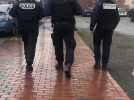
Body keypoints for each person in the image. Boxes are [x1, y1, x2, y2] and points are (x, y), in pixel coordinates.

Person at [49, 0, 82, 78]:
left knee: (58, 45)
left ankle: (60, 64)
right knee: (70, 45)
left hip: (57, 25)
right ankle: (67, 64)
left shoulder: (53, 1)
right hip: (69, 25)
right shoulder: (72, 1)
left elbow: (47, 11)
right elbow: (79, 11)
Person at [9, 0, 44, 72]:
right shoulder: (36, 4)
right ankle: (29, 63)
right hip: (33, 28)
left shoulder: (18, 4)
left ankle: (28, 60)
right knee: (32, 45)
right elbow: (42, 14)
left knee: (26, 43)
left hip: (23, 28)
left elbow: (11, 13)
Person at [90, 0, 120, 70]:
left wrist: (91, 27)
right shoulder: (113, 5)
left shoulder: (99, 4)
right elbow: (117, 19)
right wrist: (112, 27)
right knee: (107, 47)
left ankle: (97, 63)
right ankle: (104, 65)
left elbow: (94, 16)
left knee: (97, 45)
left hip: (99, 28)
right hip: (109, 30)